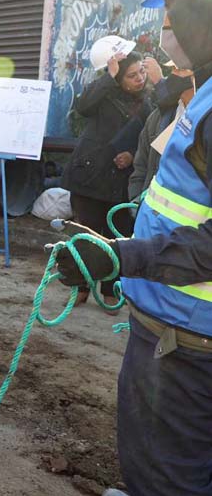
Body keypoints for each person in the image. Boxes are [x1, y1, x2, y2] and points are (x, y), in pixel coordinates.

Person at [54, 0, 212, 496]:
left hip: (187, 342)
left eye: (174, 13)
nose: (165, 32)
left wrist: (123, 257)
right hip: (170, 323)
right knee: (161, 464)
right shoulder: (200, 92)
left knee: (174, 473)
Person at [60, 35, 153, 309]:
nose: (140, 79)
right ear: (118, 78)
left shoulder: (151, 103)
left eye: (142, 73)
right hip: (90, 177)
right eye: (132, 75)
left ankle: (111, 290)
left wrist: (134, 156)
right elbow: (82, 106)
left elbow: (156, 137)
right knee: (84, 234)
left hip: (122, 183)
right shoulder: (103, 94)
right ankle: (79, 287)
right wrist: (108, 77)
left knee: (119, 235)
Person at [128, 64, 195, 199]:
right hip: (149, 214)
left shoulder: (205, 121)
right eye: (173, 68)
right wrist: (136, 201)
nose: (174, 73)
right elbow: (140, 167)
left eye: (181, 68)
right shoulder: (157, 117)